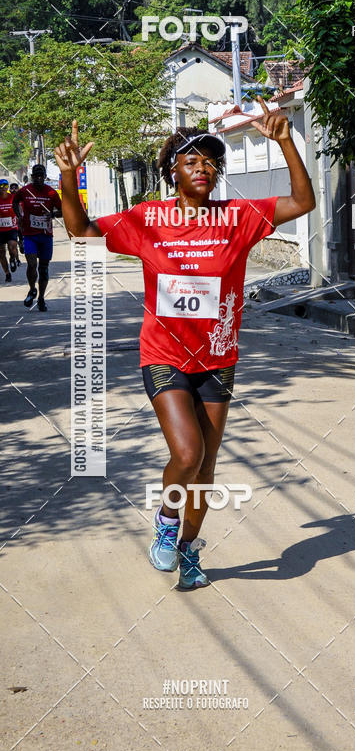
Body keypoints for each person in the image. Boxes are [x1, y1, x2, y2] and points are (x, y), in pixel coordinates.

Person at [55, 102, 315, 590]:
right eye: (191, 161)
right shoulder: (148, 218)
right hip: (164, 356)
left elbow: (302, 203)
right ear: (171, 171)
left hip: (218, 360)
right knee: (188, 453)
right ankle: (167, 522)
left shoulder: (239, 216)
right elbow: (81, 231)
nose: (203, 168)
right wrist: (69, 180)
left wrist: (284, 141)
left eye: (211, 162)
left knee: (206, 467)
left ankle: (190, 550)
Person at [12, 165, 62, 311]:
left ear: (45, 176)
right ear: (33, 176)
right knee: (32, 264)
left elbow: (62, 210)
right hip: (29, 235)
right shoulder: (25, 190)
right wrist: (18, 215)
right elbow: (15, 201)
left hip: (45, 235)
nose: (39, 178)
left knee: (44, 268)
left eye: (42, 176)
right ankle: (32, 289)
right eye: (36, 176)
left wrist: (52, 215)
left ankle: (41, 298)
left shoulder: (51, 193)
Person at [0, 179, 19, 282]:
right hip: (0, 230)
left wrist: (20, 218)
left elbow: (19, 209)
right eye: (1, 186)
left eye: (5, 185)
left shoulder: (12, 198)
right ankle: (7, 273)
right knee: (1, 252)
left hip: (11, 228)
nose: (3, 188)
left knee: (12, 247)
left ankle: (12, 258)